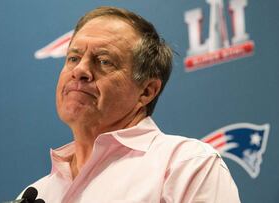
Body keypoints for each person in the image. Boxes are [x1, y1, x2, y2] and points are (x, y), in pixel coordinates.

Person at [20, 6, 240, 203]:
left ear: (146, 91)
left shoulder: (186, 166)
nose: (80, 71)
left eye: (104, 61)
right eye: (73, 58)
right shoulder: (36, 194)